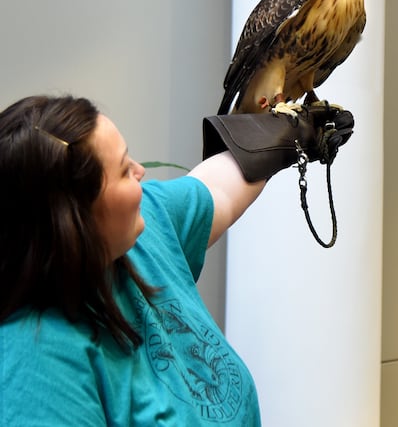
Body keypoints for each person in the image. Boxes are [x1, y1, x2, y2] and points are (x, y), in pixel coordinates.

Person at [0, 94, 353, 425]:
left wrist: (290, 133)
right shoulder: (34, 364)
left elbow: (220, 188)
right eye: (124, 170)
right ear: (74, 217)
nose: (140, 170)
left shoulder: (144, 228)